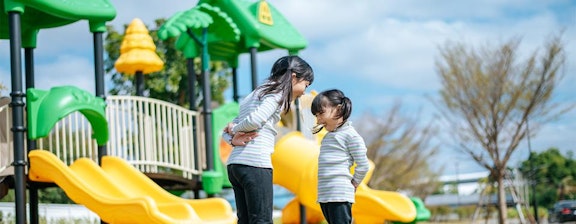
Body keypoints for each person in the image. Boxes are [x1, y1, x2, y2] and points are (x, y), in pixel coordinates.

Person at [222, 55, 314, 224]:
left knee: (245, 220)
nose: (304, 91)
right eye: (305, 85)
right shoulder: (276, 94)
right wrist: (235, 131)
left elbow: (226, 129)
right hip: (255, 163)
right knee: (262, 220)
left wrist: (232, 140)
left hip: (235, 165)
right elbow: (256, 120)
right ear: (294, 77)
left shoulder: (255, 94)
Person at [310, 89, 370, 224]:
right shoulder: (328, 136)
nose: (318, 120)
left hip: (340, 194)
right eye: (316, 115)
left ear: (338, 110)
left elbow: (363, 165)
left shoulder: (350, 135)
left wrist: (354, 183)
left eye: (321, 114)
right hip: (325, 195)